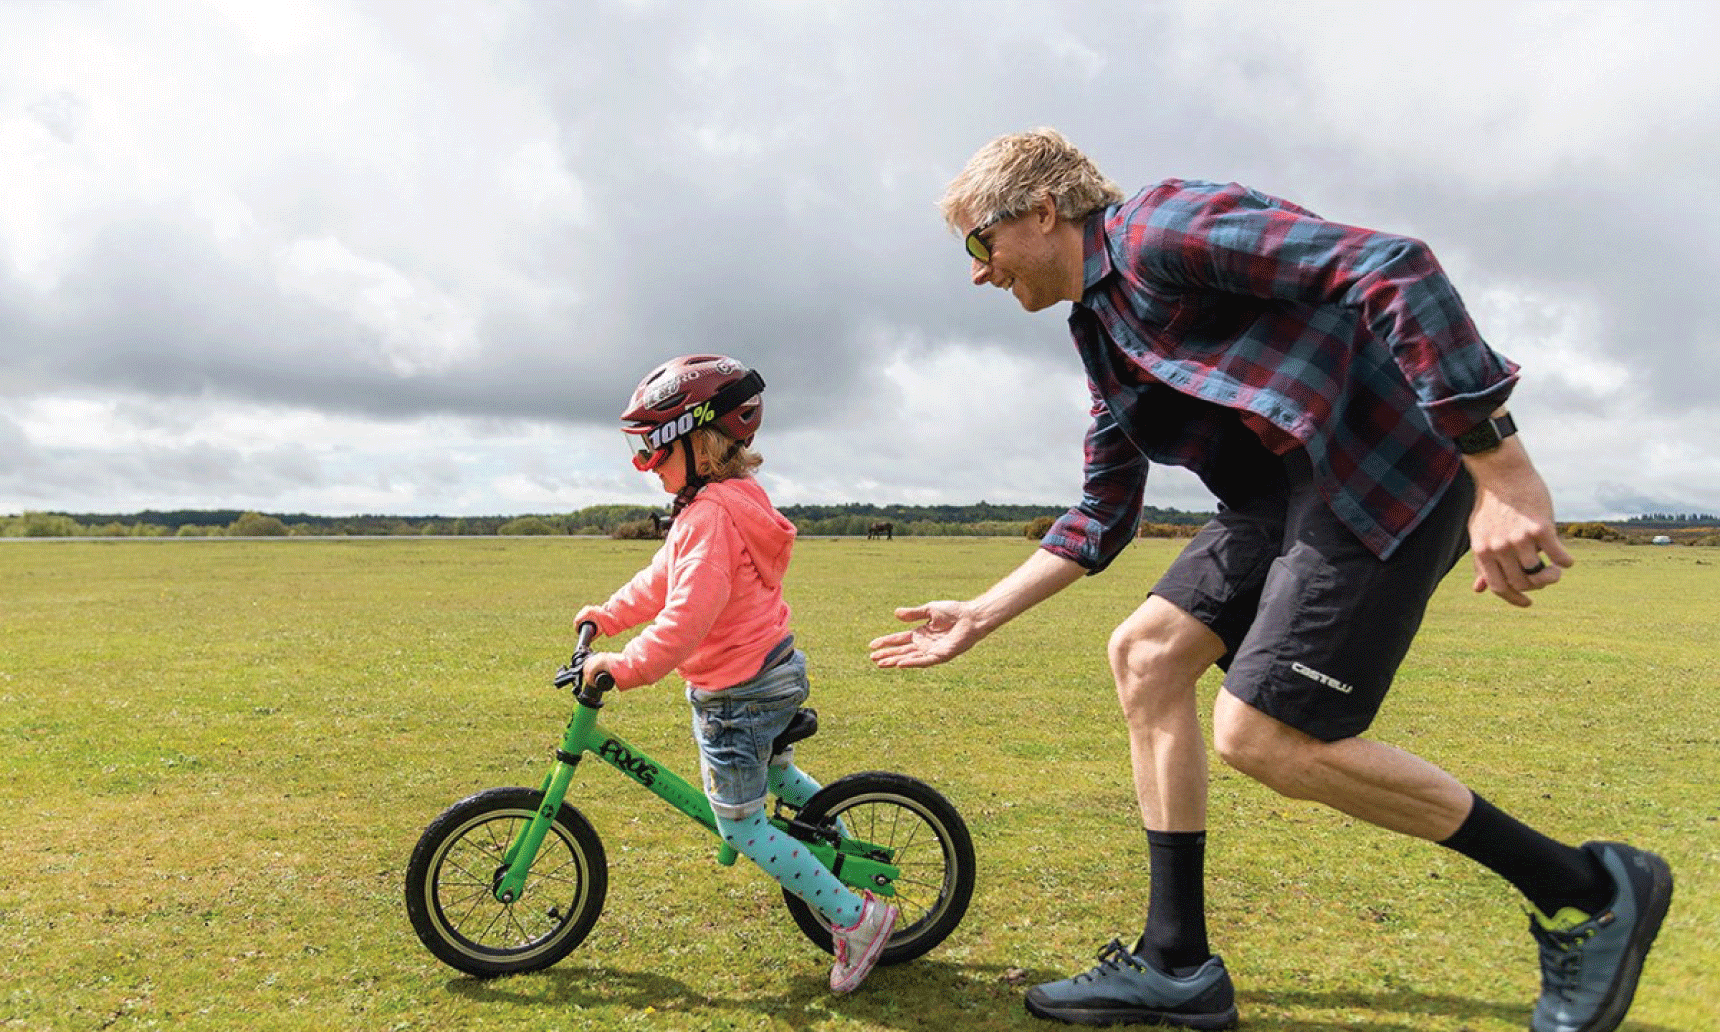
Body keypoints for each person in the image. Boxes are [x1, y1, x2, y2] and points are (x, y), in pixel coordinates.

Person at [869, 129, 1671, 1031]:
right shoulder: (1101, 331)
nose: (980, 272)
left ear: (1044, 210)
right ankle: (1176, 965)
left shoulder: (1161, 226)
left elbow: (1392, 267)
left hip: (1374, 468)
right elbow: (1103, 509)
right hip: (1279, 496)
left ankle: (1590, 889)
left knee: (1264, 736)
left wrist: (1504, 474)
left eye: (981, 242)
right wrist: (979, 614)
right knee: (1146, 655)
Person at [579, 353, 898, 994]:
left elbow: (686, 618)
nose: (646, 464)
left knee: (741, 824)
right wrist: (607, 616)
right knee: (775, 775)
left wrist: (625, 666)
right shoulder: (721, 504)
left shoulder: (709, 517)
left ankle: (856, 918)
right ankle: (841, 852)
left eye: (651, 448)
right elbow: (662, 579)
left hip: (740, 692)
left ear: (696, 442)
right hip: (769, 668)